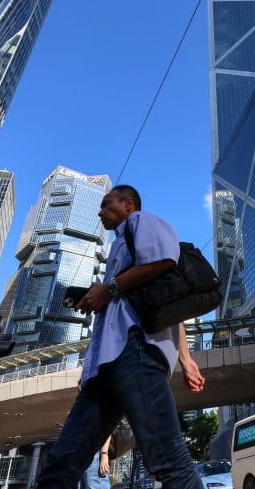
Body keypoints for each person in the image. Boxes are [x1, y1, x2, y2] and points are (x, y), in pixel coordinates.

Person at [35, 185, 206, 488]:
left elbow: (165, 261)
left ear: (128, 204)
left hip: (136, 350)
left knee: (167, 459)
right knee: (61, 464)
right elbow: (163, 305)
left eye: (106, 203)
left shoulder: (141, 221)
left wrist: (108, 289)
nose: (101, 211)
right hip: (106, 366)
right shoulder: (119, 246)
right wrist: (99, 295)